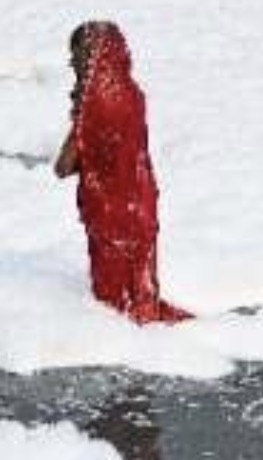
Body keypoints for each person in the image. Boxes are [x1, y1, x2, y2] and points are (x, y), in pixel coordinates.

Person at [53, 20, 191, 323]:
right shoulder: (133, 93)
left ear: (91, 55)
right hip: (140, 204)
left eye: (76, 56)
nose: (71, 63)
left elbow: (63, 167)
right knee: (139, 291)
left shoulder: (94, 105)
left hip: (110, 214)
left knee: (115, 308)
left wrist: (79, 119)